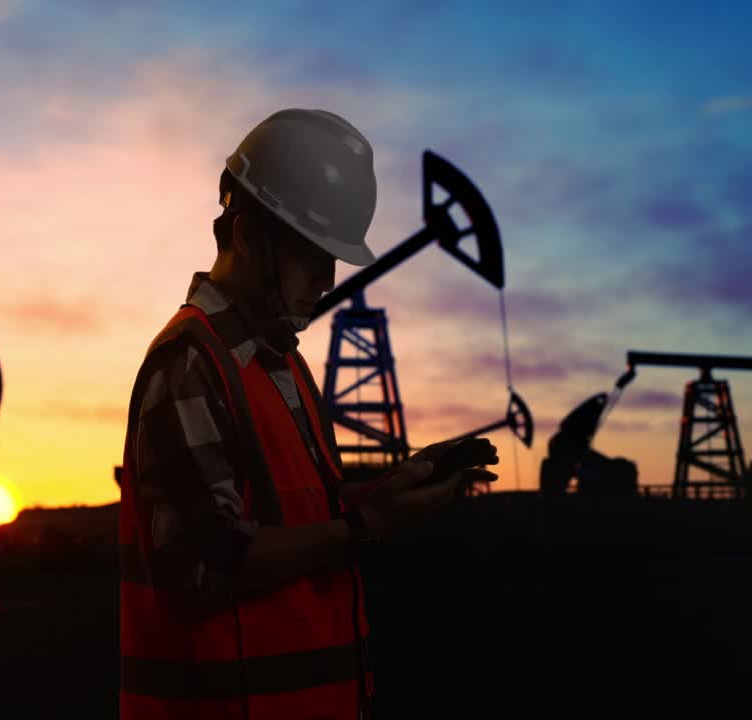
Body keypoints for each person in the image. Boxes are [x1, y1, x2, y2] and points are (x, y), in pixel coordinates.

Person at [118, 108, 500, 719]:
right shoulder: (190, 364)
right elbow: (202, 568)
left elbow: (296, 515)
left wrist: (382, 492)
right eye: (310, 253)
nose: (326, 279)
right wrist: (367, 524)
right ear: (247, 237)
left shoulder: (281, 364)